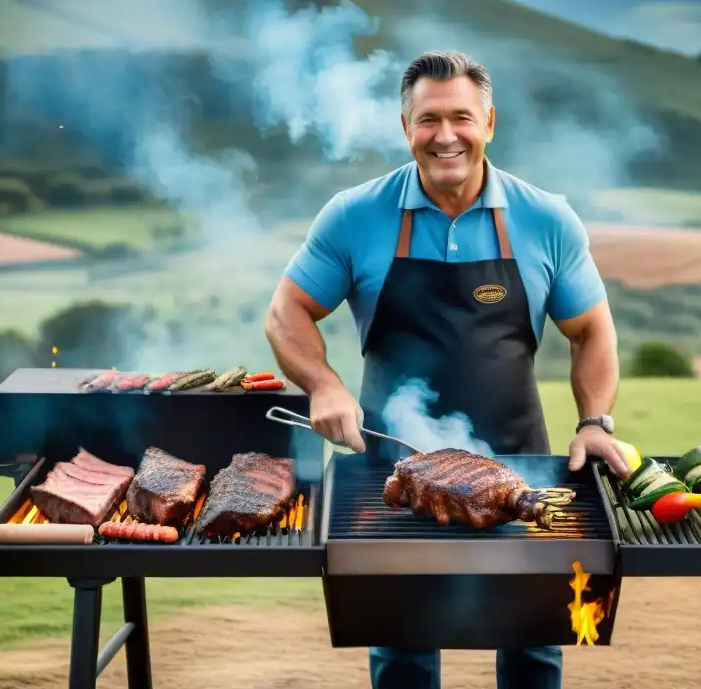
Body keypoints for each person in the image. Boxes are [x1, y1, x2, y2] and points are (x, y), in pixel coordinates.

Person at [265, 50, 629, 689]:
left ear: (490, 121)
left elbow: (591, 330)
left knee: (535, 647)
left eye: (461, 117)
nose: (445, 136)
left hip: (523, 466)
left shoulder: (545, 218)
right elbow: (287, 311)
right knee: (403, 650)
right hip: (394, 472)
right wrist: (324, 385)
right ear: (405, 127)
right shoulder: (356, 214)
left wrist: (595, 421)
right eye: (428, 120)